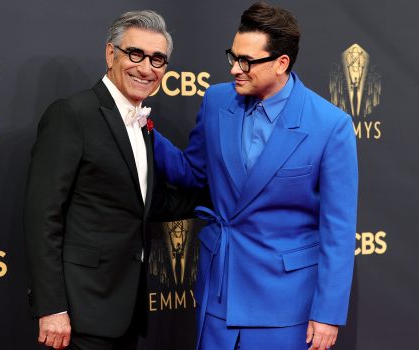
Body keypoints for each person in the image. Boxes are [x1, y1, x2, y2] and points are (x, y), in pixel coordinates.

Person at [152, 2, 358, 349]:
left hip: (285, 302)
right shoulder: (217, 101)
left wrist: (327, 314)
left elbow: (338, 229)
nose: (235, 69)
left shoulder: (330, 125)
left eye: (246, 61)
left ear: (281, 63)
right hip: (219, 289)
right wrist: (143, 130)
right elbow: (193, 173)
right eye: (233, 56)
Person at [24, 10, 193, 350]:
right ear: (110, 54)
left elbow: (146, 203)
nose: (146, 68)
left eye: (157, 60)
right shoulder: (72, 114)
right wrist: (52, 307)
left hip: (125, 311)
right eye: (136, 54)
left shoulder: (141, 124)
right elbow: (43, 216)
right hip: (78, 312)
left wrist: (228, 198)